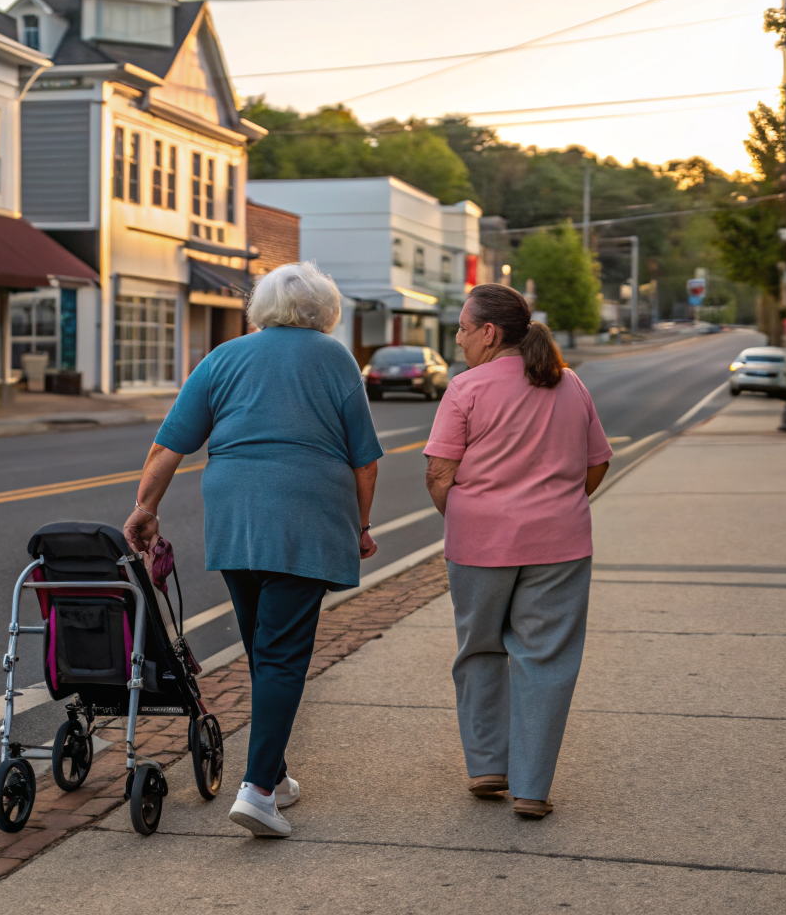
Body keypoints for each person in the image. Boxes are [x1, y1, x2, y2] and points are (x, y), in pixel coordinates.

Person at [123, 261, 382, 838]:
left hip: (235, 515)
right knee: (283, 655)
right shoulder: (335, 358)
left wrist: (145, 507)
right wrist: (361, 525)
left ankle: (276, 775)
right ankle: (258, 792)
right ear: (324, 310)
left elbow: (169, 445)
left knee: (265, 650)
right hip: (306, 517)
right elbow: (364, 460)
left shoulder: (223, 357)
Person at [423, 283, 611, 819]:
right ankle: (532, 789)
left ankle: (487, 766)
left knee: (479, 648)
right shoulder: (570, 383)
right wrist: (560, 505)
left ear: (489, 332)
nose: (458, 340)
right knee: (545, 659)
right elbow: (597, 462)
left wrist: (469, 517)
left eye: (463, 329)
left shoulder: (465, 388)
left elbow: (438, 472)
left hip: (479, 544)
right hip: (560, 544)